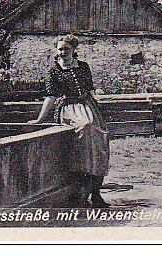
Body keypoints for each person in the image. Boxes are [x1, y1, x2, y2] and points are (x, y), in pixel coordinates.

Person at [31, 34, 110, 208]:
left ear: (74, 50)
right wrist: (39, 119)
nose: (62, 52)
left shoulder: (83, 67)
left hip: (87, 105)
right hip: (68, 108)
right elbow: (51, 96)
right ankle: (78, 193)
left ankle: (96, 193)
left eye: (66, 49)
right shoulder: (54, 70)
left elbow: (90, 90)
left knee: (99, 142)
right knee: (84, 132)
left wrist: (98, 106)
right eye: (60, 49)